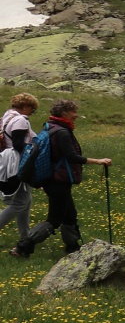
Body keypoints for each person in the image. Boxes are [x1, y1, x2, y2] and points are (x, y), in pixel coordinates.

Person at [11, 99, 110, 259]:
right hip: (58, 181)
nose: (76, 115)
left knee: (69, 214)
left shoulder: (50, 128)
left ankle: (72, 247)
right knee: (54, 219)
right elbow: (71, 156)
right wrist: (98, 161)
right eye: (74, 112)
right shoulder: (62, 132)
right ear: (64, 113)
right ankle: (23, 247)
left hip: (53, 180)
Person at [0, 93, 36, 245]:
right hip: (17, 162)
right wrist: (34, 148)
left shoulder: (6, 117)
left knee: (26, 200)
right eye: (32, 109)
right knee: (20, 202)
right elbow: (18, 144)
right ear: (25, 106)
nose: (32, 113)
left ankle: (25, 237)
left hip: (6, 160)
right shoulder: (20, 120)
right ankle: (25, 237)